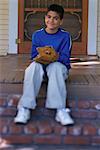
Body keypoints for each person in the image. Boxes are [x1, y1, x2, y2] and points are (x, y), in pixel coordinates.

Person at [14, 4, 74, 125]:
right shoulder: (38, 35)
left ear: (61, 21)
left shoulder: (65, 36)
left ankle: (60, 109)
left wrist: (53, 55)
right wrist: (42, 56)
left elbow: (65, 59)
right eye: (49, 17)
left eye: (55, 18)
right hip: (41, 69)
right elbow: (33, 56)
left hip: (58, 70)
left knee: (55, 67)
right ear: (45, 18)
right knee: (33, 67)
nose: (51, 20)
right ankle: (25, 107)